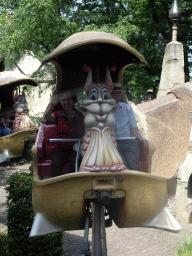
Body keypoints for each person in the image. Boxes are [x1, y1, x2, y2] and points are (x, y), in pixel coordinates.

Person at [43, 90, 85, 177]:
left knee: (76, 162)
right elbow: (46, 118)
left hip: (75, 148)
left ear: (73, 101)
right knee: (56, 163)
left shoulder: (80, 116)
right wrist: (52, 104)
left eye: (68, 100)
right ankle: (55, 186)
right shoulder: (58, 115)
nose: (66, 102)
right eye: (63, 100)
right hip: (61, 148)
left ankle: (75, 184)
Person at [111, 83, 147, 171]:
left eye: (119, 94)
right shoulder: (105, 109)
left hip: (128, 142)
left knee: (133, 164)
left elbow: (133, 127)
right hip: (113, 144)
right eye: (114, 93)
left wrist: (139, 140)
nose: (117, 96)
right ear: (109, 94)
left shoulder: (126, 108)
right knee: (122, 166)